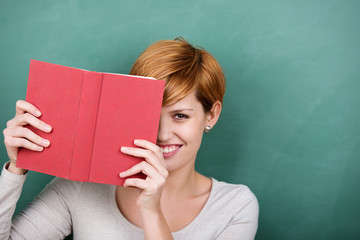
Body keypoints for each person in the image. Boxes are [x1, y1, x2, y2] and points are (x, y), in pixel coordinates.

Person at [0, 37, 259, 239]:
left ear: (211, 115)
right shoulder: (81, 188)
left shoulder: (234, 207)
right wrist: (17, 168)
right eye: (148, 115)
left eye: (180, 116)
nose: (161, 134)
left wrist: (152, 212)